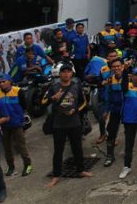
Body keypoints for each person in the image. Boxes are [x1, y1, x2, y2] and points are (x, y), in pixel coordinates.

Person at [43, 61, 92, 189]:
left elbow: (83, 102)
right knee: (58, 151)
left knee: (77, 148)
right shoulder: (54, 87)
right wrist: (53, 97)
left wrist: (75, 110)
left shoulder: (76, 86)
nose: (66, 74)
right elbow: (42, 102)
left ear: (71, 74)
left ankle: (81, 170)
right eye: (63, 72)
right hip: (58, 124)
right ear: (59, 74)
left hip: (74, 122)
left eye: (68, 72)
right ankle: (56, 175)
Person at [0, 74, 32, 177]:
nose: (1, 84)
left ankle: (28, 165)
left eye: (4, 81)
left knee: (21, 146)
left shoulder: (18, 91)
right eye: (0, 82)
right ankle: (11, 167)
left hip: (16, 123)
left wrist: (21, 117)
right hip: (3, 125)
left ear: (10, 81)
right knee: (7, 148)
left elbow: (24, 105)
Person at [102, 58, 126, 166]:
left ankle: (128, 151)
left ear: (122, 67)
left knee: (129, 131)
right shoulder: (110, 80)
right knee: (111, 132)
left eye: (118, 66)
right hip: (115, 109)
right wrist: (106, 110)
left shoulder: (128, 79)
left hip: (127, 109)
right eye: (114, 66)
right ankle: (109, 156)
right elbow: (107, 97)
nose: (116, 68)